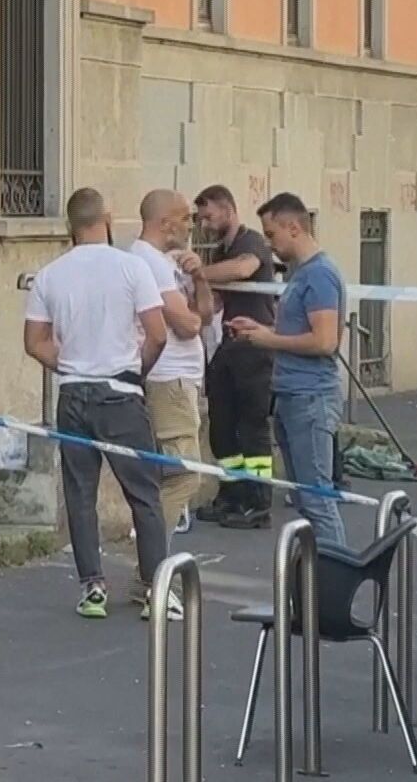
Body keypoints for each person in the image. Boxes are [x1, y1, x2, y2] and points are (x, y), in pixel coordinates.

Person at [22, 188, 173, 622]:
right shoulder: (131, 267)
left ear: (69, 226)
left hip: (73, 394)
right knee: (144, 494)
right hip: (120, 392)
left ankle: (92, 588)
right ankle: (155, 589)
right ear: (107, 218)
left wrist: (70, 364)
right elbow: (157, 333)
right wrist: (136, 371)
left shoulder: (49, 275)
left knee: (80, 494)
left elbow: (34, 342)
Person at [227, 192, 348, 549]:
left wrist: (269, 339)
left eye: (271, 234)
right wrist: (260, 329)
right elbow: (300, 331)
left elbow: (325, 341)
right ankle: (318, 573)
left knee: (318, 501)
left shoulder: (320, 275)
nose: (269, 244)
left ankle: (335, 576)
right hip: (292, 397)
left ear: (294, 227)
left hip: (310, 398)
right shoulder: (302, 273)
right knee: (306, 501)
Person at [126, 189, 214, 567]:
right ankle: (149, 570)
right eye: (185, 218)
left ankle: (151, 568)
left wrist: (199, 276)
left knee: (177, 475)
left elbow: (205, 314)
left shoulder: (168, 262)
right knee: (184, 476)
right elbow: (187, 325)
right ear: (166, 223)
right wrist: (191, 314)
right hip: (169, 380)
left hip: (183, 379)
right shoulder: (147, 262)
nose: (191, 225)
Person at [193, 184, 278, 529]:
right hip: (227, 346)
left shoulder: (250, 242)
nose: (204, 225)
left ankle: (258, 502)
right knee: (222, 427)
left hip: (255, 347)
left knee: (252, 428)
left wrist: (196, 272)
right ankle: (231, 493)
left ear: (227, 209)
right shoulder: (219, 252)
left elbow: (243, 270)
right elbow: (214, 302)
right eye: (201, 219)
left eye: (208, 216)